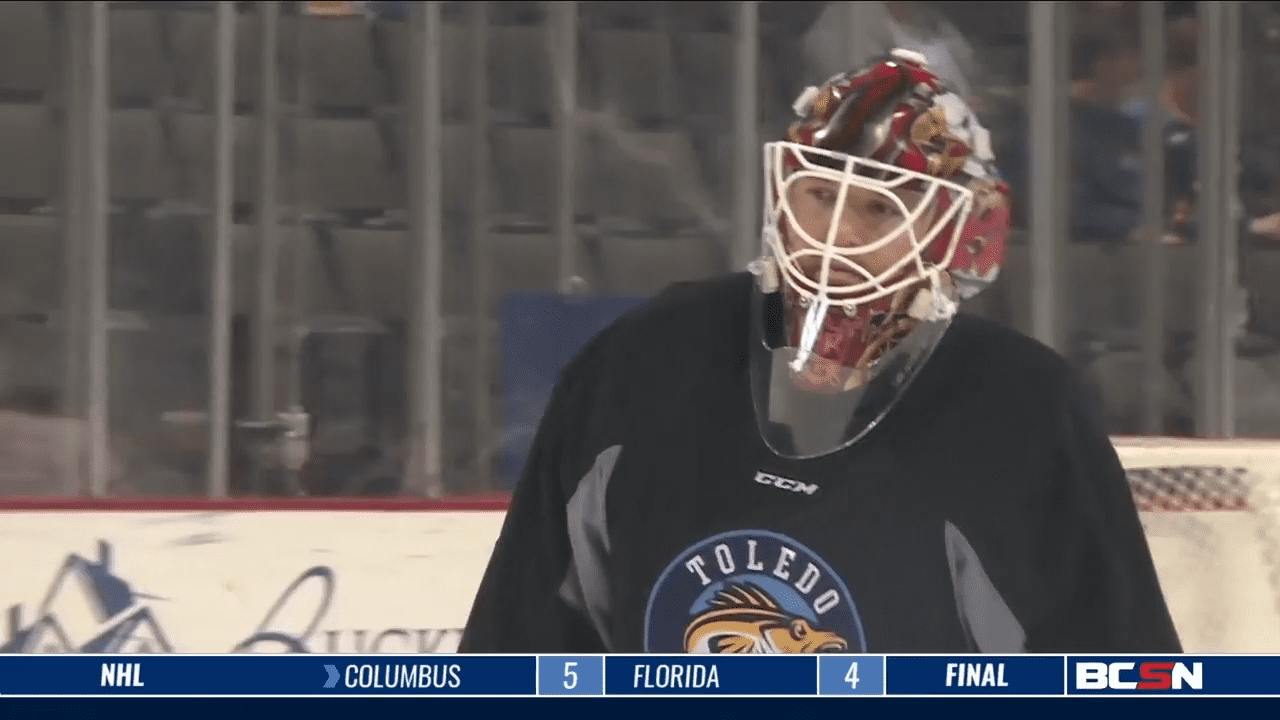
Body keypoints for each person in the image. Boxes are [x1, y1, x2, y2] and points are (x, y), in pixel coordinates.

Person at [459, 50, 1182, 654]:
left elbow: (1118, 665)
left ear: (951, 233)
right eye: (817, 194)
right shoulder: (644, 361)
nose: (835, 237)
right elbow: (522, 640)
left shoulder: (1023, 410)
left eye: (876, 207)